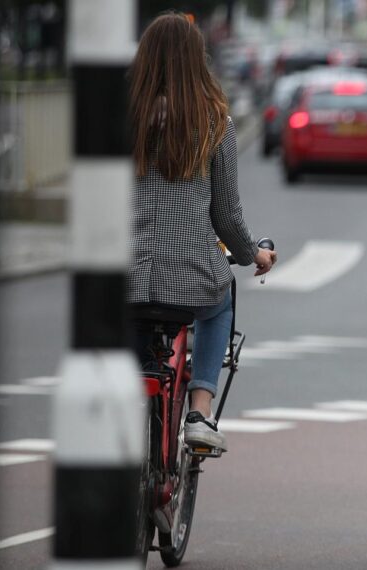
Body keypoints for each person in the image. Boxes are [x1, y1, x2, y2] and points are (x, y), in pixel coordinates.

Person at [127, 14, 276, 451]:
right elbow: (226, 215)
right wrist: (253, 255)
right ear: (197, 61)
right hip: (191, 278)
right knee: (221, 298)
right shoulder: (215, 123)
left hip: (125, 276)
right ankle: (200, 413)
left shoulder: (120, 122)